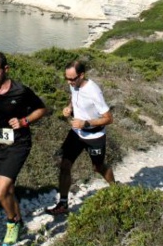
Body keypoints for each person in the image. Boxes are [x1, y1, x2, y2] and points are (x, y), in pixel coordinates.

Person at [0, 51, 47, 246]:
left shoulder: (20, 91)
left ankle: (12, 223)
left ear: (6, 69)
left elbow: (41, 109)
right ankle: (19, 221)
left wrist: (24, 121)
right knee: (9, 188)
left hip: (19, 144)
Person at [46, 60, 115, 216]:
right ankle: (63, 204)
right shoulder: (73, 84)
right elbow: (73, 96)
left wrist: (86, 123)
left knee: (98, 168)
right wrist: (69, 108)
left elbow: (109, 118)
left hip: (94, 135)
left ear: (82, 75)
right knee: (64, 165)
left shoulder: (94, 91)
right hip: (76, 134)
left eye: (72, 79)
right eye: (67, 79)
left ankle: (116, 190)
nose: (70, 82)